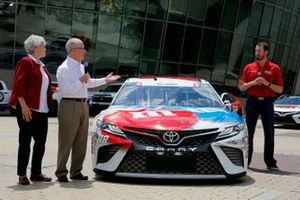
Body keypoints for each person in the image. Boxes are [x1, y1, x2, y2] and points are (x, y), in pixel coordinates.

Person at [55, 38, 120, 182]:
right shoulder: (63, 68)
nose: (84, 51)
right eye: (81, 48)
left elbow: (88, 83)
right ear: (72, 50)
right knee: (66, 140)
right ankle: (61, 172)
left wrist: (105, 80)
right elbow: (66, 90)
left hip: (83, 104)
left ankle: (76, 172)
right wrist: (81, 80)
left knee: (81, 140)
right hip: (69, 104)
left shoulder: (80, 66)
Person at [8, 34, 53, 185]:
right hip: (28, 110)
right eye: (43, 46)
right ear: (35, 48)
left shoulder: (41, 65)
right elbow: (18, 86)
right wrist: (24, 107)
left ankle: (36, 173)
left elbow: (40, 87)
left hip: (42, 110)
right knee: (25, 142)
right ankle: (22, 174)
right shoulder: (26, 62)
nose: (45, 48)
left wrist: (55, 89)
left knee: (40, 143)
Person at [239, 42, 283, 170]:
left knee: (269, 132)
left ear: (266, 52)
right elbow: (241, 87)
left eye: (259, 51)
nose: (257, 53)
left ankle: (270, 162)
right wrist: (253, 82)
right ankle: (247, 161)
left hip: (267, 102)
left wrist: (267, 83)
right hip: (252, 102)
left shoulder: (275, 68)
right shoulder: (249, 67)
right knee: (249, 133)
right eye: (256, 51)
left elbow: (280, 89)